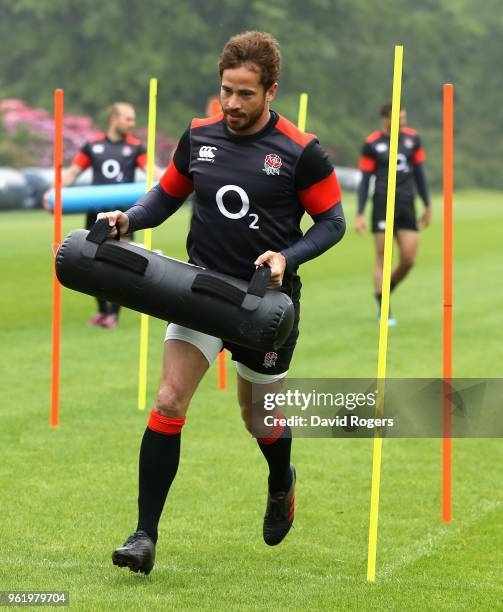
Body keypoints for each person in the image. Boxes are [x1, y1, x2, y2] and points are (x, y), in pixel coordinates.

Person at [99, 31, 346, 575]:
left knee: (259, 420)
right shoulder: (200, 136)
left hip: (265, 305)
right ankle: (143, 536)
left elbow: (333, 222)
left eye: (245, 94)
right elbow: (167, 193)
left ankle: (281, 482)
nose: (232, 105)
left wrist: (288, 255)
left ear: (271, 91)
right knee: (168, 402)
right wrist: (129, 219)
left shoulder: (302, 152)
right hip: (200, 291)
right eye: (225, 92)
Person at [44, 102, 162, 328]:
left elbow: (152, 171)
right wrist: (54, 191)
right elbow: (74, 172)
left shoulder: (136, 147)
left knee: (119, 263)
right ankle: (102, 312)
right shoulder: (93, 145)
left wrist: (169, 180)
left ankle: (113, 316)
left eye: (133, 119)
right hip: (95, 214)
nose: (132, 123)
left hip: (123, 215)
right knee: (91, 261)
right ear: (114, 119)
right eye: (128, 118)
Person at [356, 103, 431, 324]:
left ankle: (384, 291)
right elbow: (365, 180)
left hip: (407, 204)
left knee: (408, 259)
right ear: (385, 119)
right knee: (383, 257)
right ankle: (384, 307)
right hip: (382, 204)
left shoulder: (413, 139)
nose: (403, 122)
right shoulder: (372, 143)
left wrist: (427, 204)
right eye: (399, 118)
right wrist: (360, 212)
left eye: (405, 118)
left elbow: (420, 174)